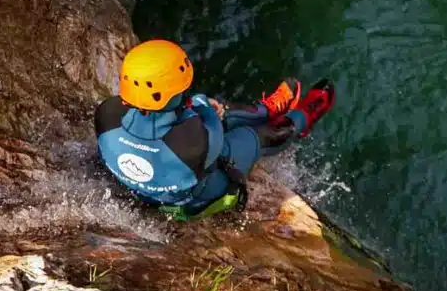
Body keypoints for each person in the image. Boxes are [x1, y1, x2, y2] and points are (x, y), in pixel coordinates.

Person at [94, 40, 335, 219]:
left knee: (205, 115)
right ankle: (300, 119)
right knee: (257, 136)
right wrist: (200, 102)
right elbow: (213, 126)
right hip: (192, 201)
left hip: (145, 191)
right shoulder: (194, 143)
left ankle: (266, 110)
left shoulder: (107, 115)